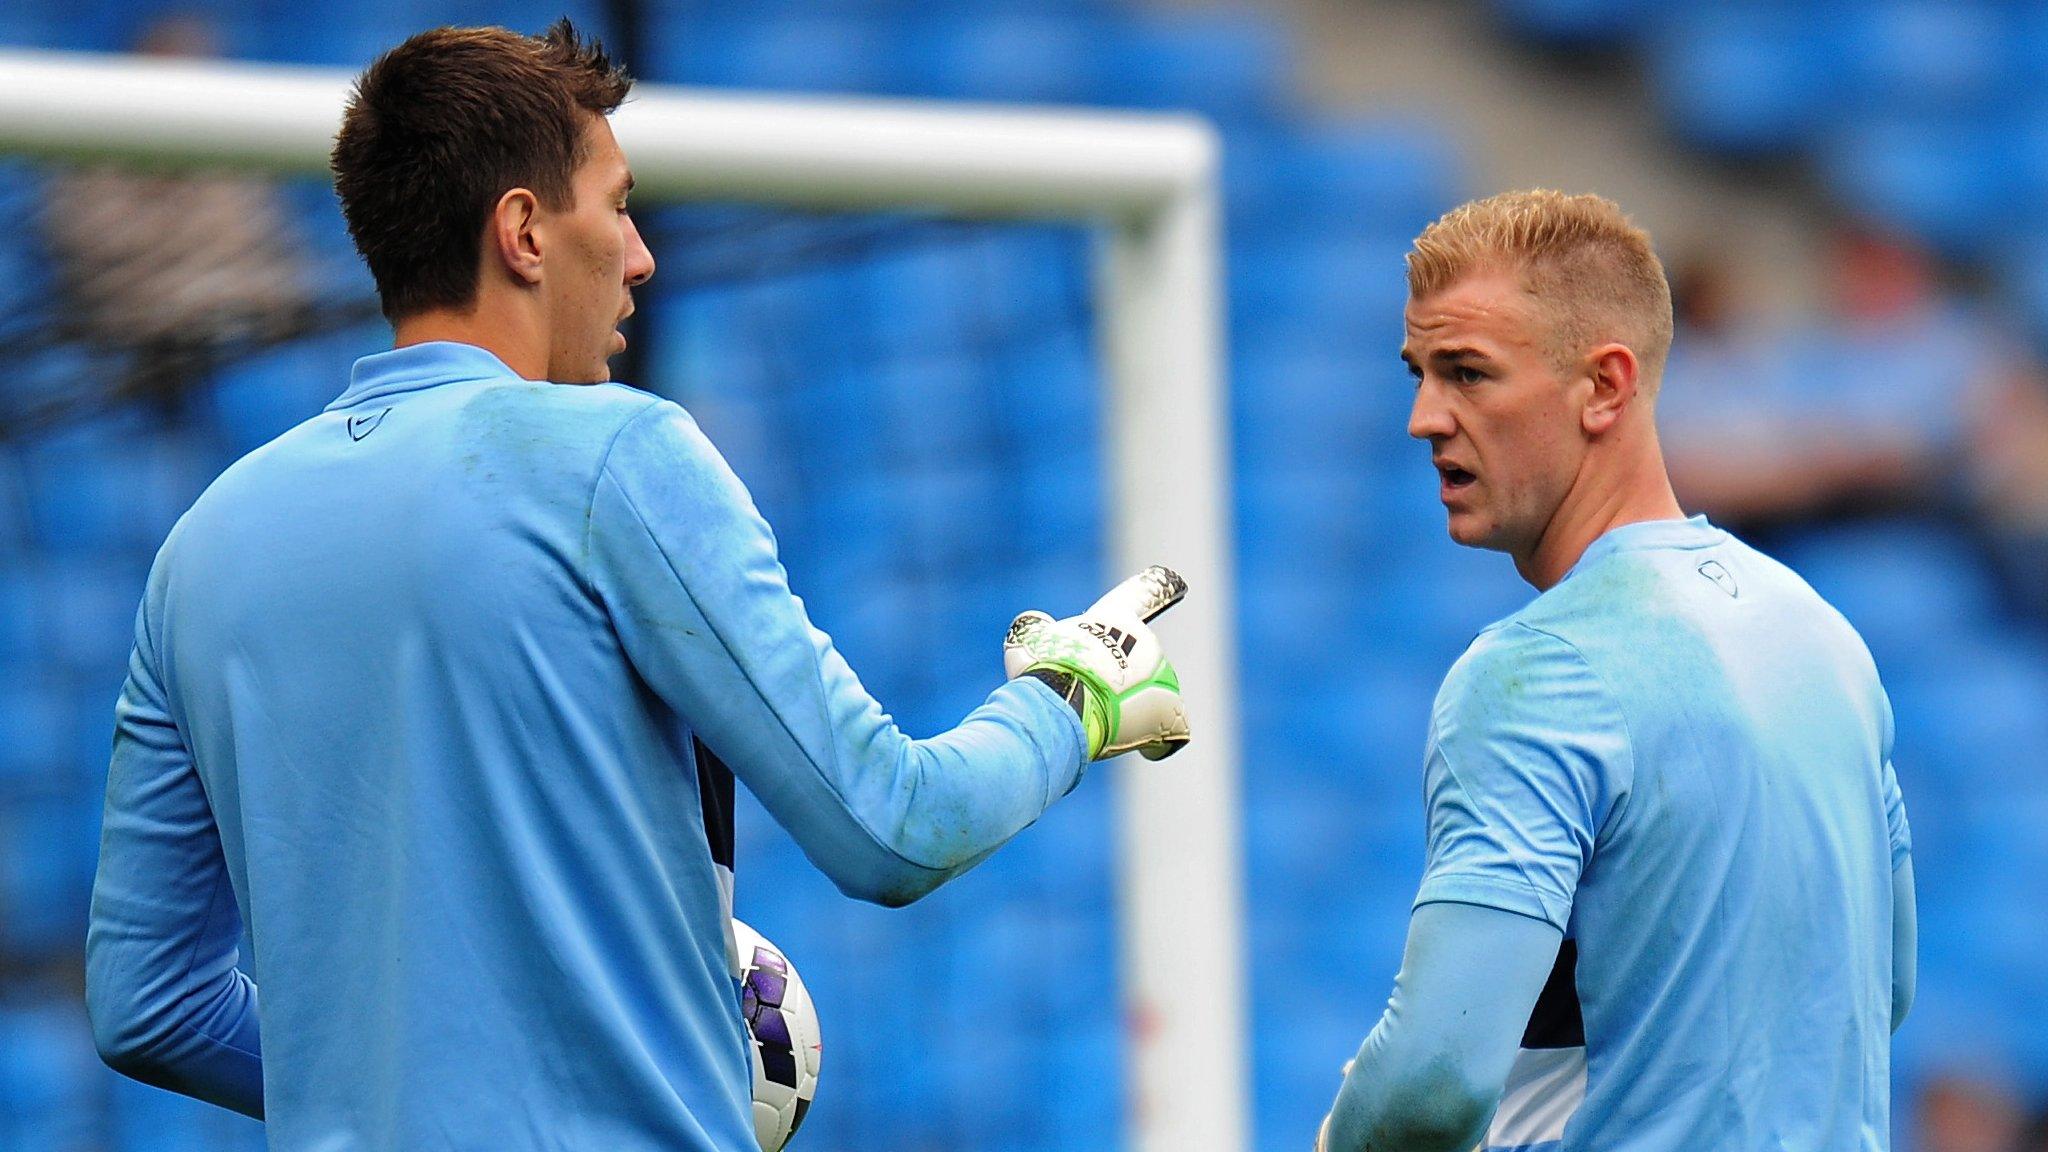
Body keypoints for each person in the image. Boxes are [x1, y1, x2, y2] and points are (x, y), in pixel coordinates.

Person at [81, 21, 1189, 1152]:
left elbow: (149, 1006)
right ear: (521, 231)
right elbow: (892, 827)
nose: (642, 254)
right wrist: (1067, 702)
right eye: (614, 206)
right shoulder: (617, 458)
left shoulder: (201, 547)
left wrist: (403, 1095)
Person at [1316, 191, 1915, 1151]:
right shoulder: (1823, 635)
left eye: (1468, 373)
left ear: (1605, 386)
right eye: (1420, 374)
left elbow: (1429, 1084)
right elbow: (1884, 986)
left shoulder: (1536, 676)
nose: (1425, 418)